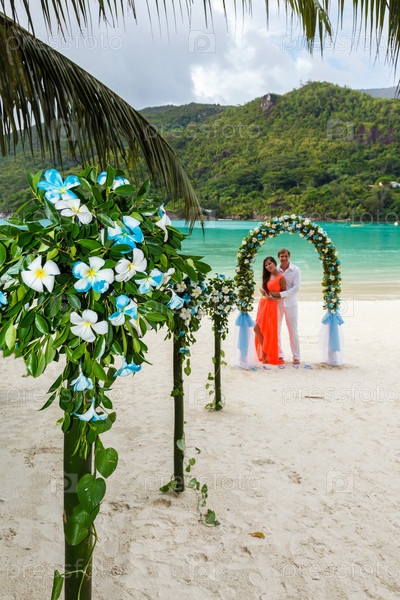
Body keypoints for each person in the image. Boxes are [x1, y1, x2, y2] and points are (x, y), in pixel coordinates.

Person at [268, 248, 301, 365]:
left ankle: (296, 356)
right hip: (277, 304)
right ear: (278, 258)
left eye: (286, 256)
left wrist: (281, 294)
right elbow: (269, 283)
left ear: (289, 257)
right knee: (276, 329)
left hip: (291, 303)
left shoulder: (296, 270)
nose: (284, 258)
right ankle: (279, 355)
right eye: (282, 256)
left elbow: (296, 288)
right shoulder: (275, 270)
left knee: (293, 330)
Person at [254, 256, 286, 365]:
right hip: (263, 303)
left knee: (265, 329)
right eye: (266, 265)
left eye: (270, 263)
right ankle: (265, 353)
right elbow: (267, 290)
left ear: (274, 263)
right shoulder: (267, 276)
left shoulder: (281, 277)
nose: (268, 266)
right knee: (257, 329)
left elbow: (284, 294)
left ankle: (265, 354)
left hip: (271, 305)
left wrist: (273, 298)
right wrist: (263, 291)